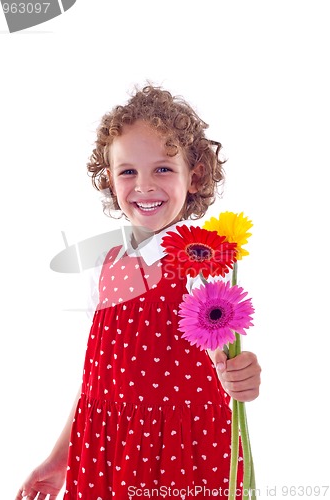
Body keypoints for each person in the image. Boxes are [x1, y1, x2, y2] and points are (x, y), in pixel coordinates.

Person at [16, 85, 261, 500]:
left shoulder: (202, 260)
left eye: (163, 169)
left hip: (178, 456)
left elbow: (221, 350)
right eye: (128, 171)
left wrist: (236, 373)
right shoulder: (106, 263)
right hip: (106, 450)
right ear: (110, 179)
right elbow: (97, 378)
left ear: (194, 173)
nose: (144, 186)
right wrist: (62, 457)